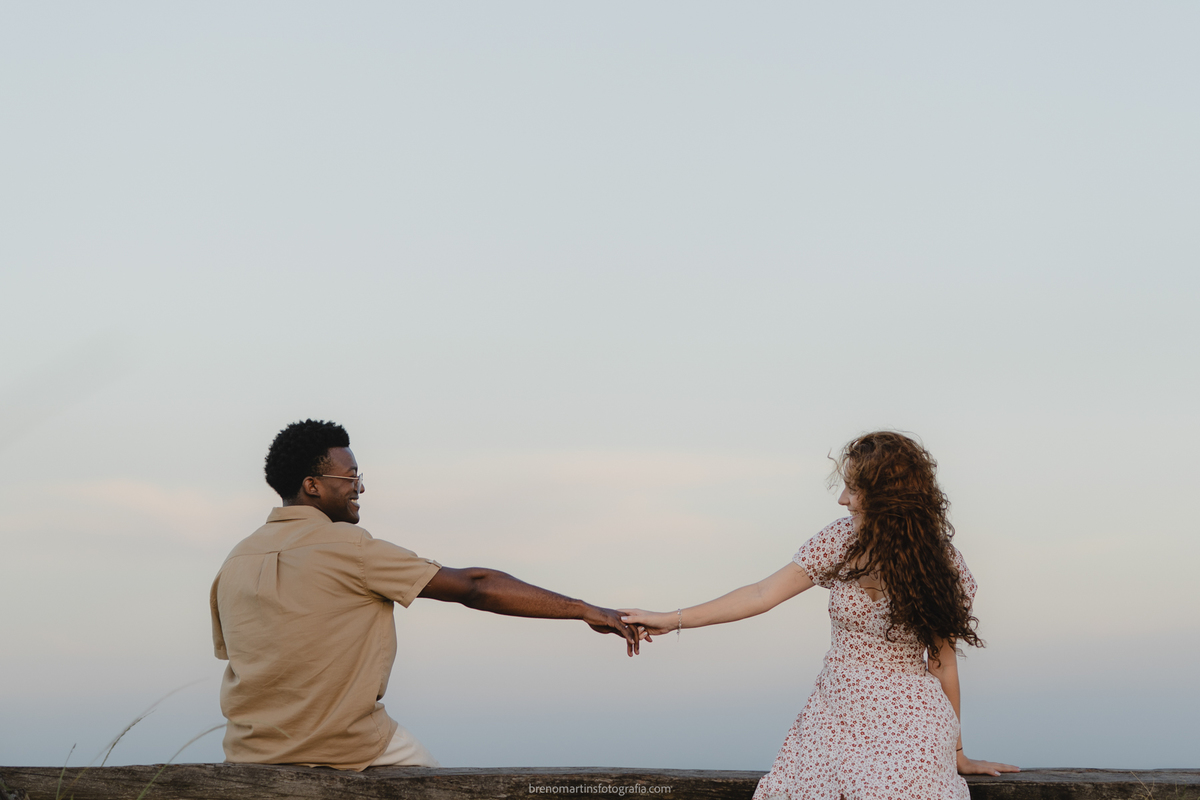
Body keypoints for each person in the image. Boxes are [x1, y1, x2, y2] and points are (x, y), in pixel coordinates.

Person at [210, 419, 640, 771]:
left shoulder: (234, 561)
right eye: (351, 477)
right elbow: (475, 587)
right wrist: (582, 609)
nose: (360, 488)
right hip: (345, 749)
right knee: (436, 781)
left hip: (249, 757)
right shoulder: (350, 547)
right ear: (313, 485)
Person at [621, 431, 1018, 799]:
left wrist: (957, 753)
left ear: (885, 497)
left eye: (854, 489)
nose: (843, 499)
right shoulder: (840, 540)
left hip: (911, 724)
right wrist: (670, 618)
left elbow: (943, 664)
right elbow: (761, 594)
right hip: (834, 715)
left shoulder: (939, 564)